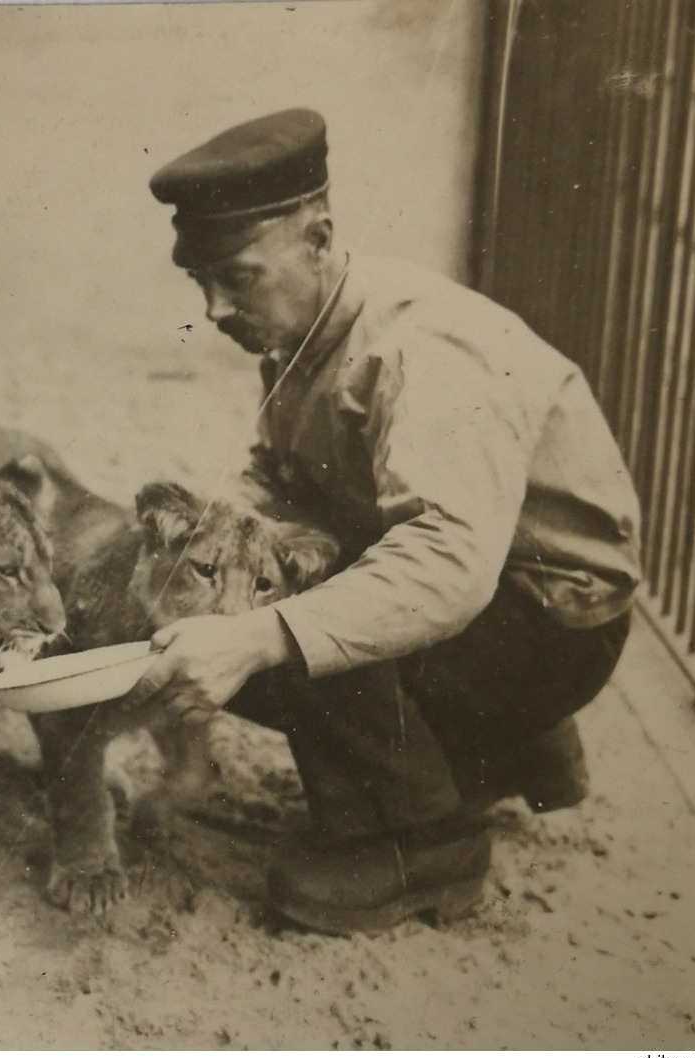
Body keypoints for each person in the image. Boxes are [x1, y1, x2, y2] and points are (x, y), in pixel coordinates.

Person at [126, 108, 642, 934]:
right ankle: (509, 752)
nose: (215, 306)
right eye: (201, 283)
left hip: (550, 622)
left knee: (265, 616)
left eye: (239, 275)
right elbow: (280, 474)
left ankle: (421, 844)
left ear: (318, 236)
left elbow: (445, 560)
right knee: (241, 581)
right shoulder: (313, 325)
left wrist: (257, 635)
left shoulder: (419, 348)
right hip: (509, 585)